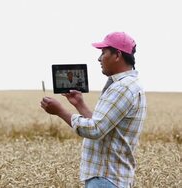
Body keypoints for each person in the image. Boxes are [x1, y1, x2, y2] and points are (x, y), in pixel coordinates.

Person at [40, 32, 147, 188]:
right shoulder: (128, 84)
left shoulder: (123, 87)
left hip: (106, 178)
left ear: (117, 55)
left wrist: (60, 111)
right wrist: (79, 104)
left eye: (103, 53)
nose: (99, 59)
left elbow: (95, 130)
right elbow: (104, 127)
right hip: (109, 178)